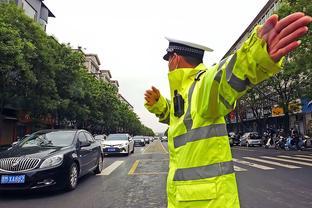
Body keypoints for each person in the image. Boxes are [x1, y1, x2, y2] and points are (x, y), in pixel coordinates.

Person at [144, 13, 311, 208]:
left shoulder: (201, 84)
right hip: (189, 198)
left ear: (175, 58)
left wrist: (256, 54)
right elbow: (181, 120)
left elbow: (223, 76)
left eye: (168, 59)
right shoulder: (185, 93)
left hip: (206, 202)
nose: (168, 65)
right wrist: (161, 107)